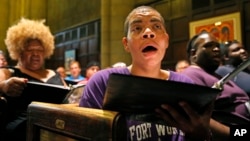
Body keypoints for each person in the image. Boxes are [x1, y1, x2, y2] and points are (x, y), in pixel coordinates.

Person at [79, 6, 212, 141]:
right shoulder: (103, 82)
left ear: (166, 41)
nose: (148, 33)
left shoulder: (184, 85)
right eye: (137, 28)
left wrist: (201, 136)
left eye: (156, 26)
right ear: (126, 44)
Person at [0, 18, 66, 141]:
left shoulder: (54, 74)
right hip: (21, 132)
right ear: (19, 52)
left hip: (55, 130)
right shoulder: (9, 72)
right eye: (30, 50)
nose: (36, 54)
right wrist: (3, 86)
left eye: (40, 50)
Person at [182, 32, 250, 141]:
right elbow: (196, 118)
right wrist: (236, 134)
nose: (216, 49)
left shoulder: (216, 75)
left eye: (217, 46)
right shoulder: (190, 75)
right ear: (194, 53)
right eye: (209, 46)